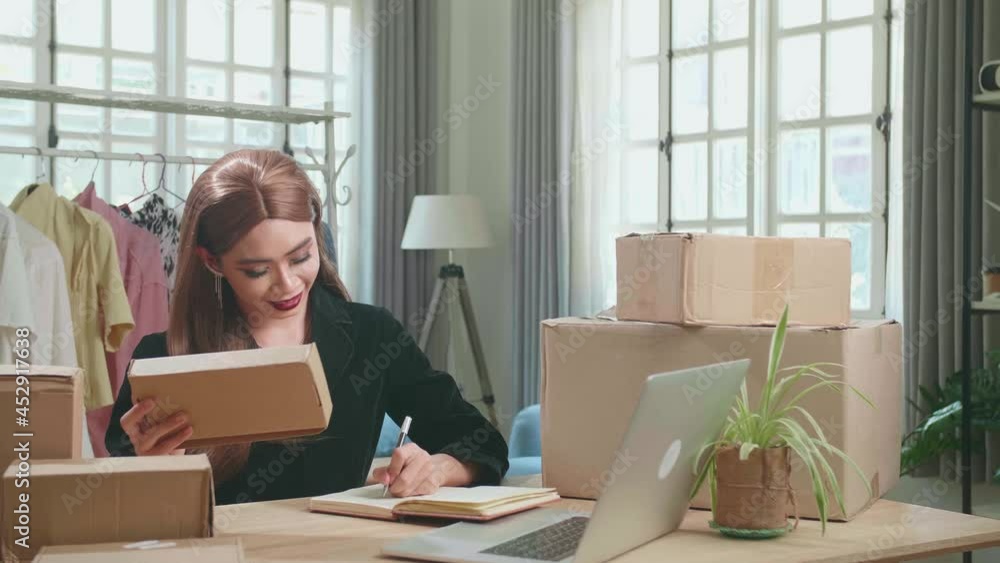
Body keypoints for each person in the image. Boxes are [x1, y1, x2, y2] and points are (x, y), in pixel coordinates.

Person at [105, 149, 509, 505]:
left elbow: (480, 439)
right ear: (212, 262)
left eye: (300, 257)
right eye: (258, 270)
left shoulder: (373, 336)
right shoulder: (164, 360)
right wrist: (151, 472)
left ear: (317, 233)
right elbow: (125, 512)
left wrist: (437, 468)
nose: (287, 284)